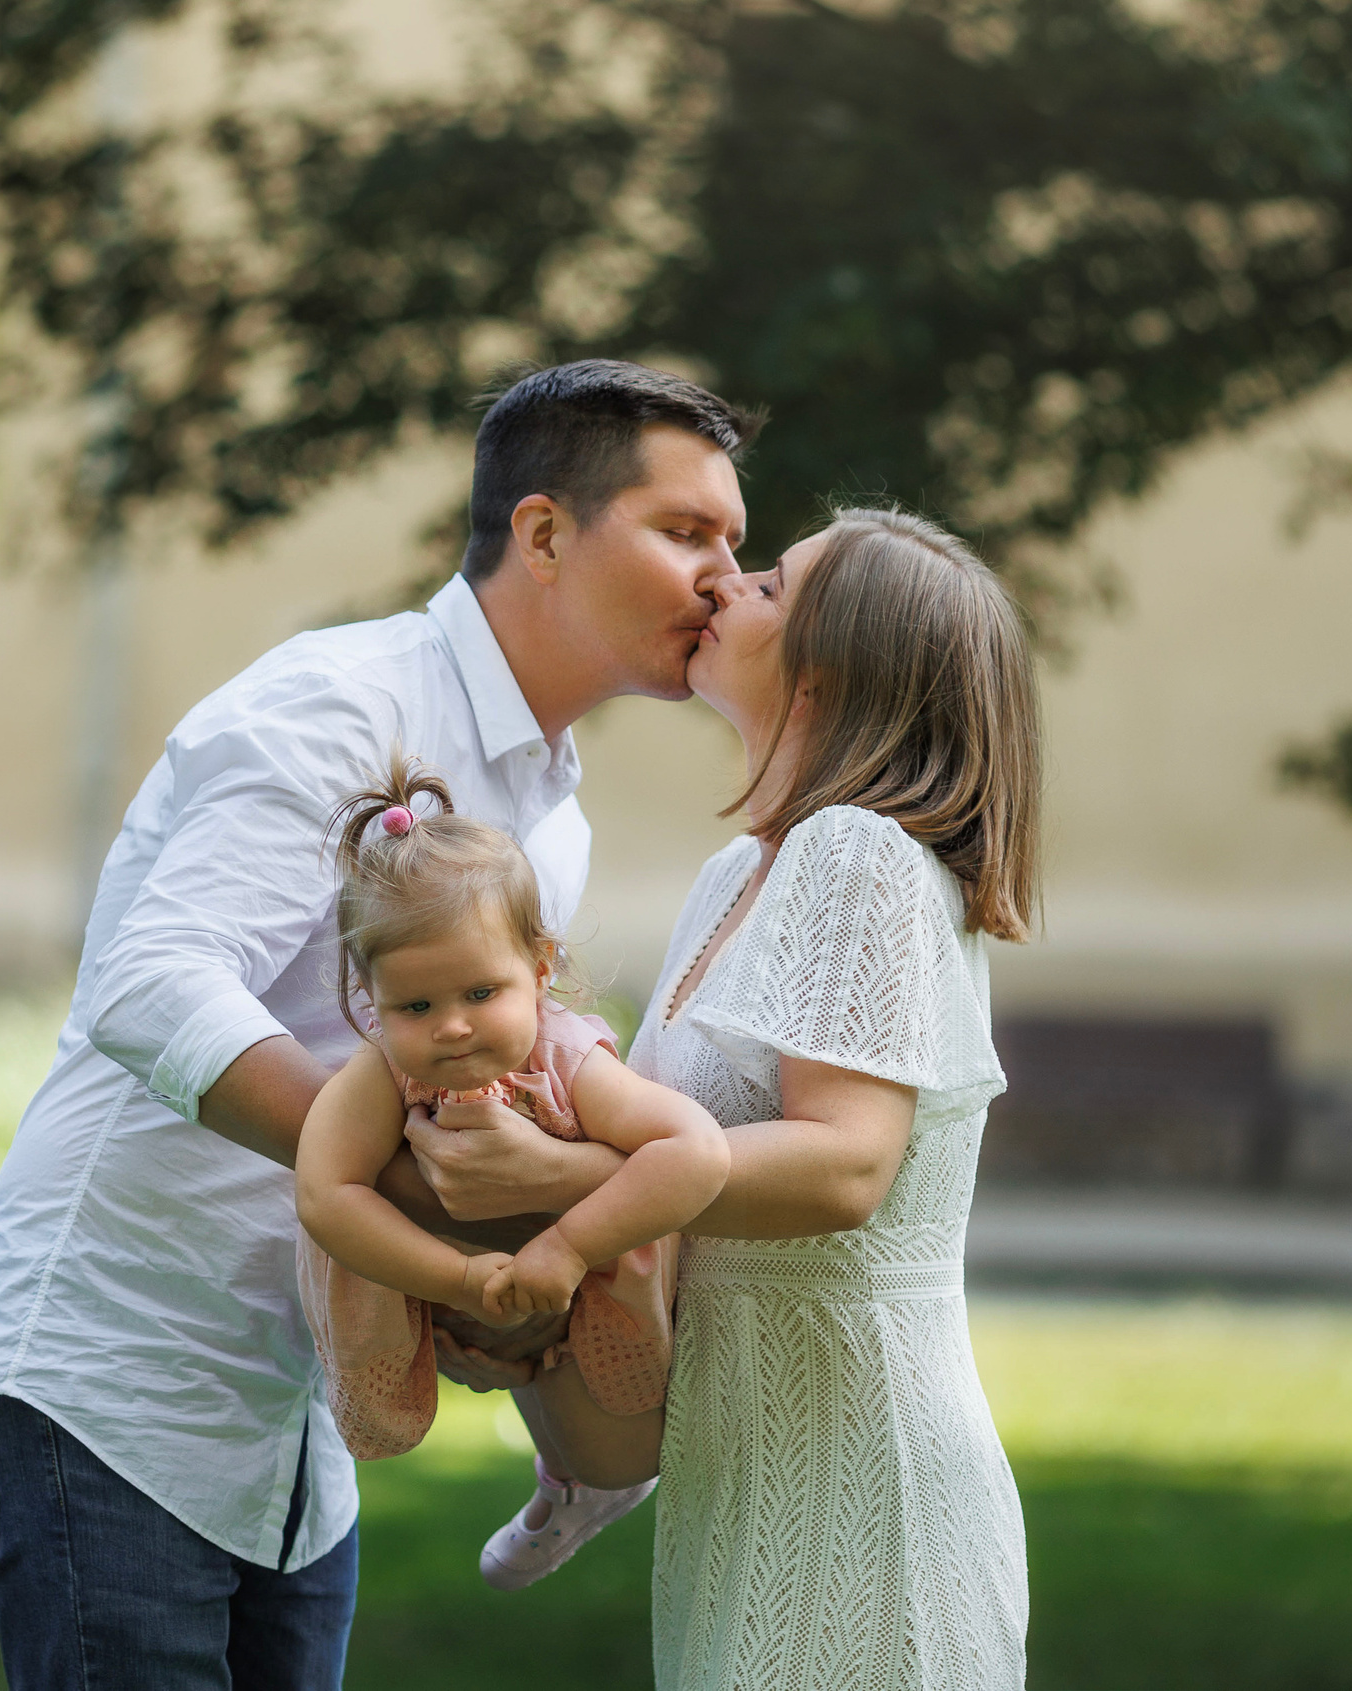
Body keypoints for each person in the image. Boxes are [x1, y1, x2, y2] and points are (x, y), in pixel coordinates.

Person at [0, 359, 756, 1689]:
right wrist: (402, 1182)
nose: (726, 577)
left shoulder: (556, 818)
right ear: (543, 534)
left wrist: (494, 1282)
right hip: (115, 1389)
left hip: (302, 1436)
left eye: (737, 542)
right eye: (686, 534)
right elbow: (152, 980)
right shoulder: (342, 705)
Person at [421, 507, 1042, 1690]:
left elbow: (846, 1166)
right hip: (739, 1478)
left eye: (770, 582)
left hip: (864, 1496)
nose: (724, 584)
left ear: (829, 669)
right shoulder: (740, 871)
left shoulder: (854, 851)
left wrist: (559, 1188)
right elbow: (664, 1176)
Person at [294, 752, 728, 1587]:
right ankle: (561, 1462)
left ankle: (574, 1483)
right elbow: (325, 1192)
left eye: (480, 993)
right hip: (449, 1291)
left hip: (584, 1280)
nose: (451, 1027)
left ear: (540, 964)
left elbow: (696, 1152)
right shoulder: (381, 1071)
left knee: (624, 1449)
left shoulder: (569, 1057)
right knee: (439, 1390)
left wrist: (565, 1247)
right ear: (370, 1000)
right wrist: (453, 1276)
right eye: (415, 1006)